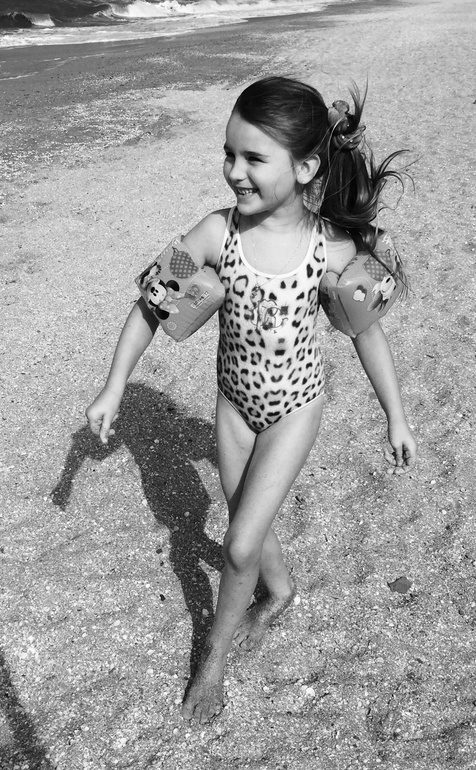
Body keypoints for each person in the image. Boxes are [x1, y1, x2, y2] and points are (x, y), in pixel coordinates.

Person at [85, 76, 417, 724]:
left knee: (238, 545)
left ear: (305, 168)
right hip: (235, 407)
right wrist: (115, 384)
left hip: (295, 408)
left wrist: (396, 418)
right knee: (246, 521)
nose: (234, 171)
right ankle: (280, 589)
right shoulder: (217, 234)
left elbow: (366, 335)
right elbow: (152, 305)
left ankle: (212, 663)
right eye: (229, 154)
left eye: (253, 158)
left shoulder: (331, 249)